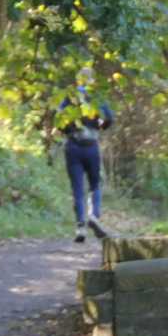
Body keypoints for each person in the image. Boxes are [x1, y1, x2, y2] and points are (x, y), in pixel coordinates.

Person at [58, 86, 113, 244]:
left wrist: (69, 128)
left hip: (73, 146)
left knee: (77, 188)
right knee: (95, 185)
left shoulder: (70, 99)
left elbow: (59, 121)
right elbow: (109, 119)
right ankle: (94, 216)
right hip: (91, 146)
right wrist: (100, 125)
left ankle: (81, 226)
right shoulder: (98, 99)